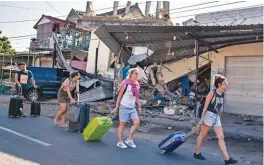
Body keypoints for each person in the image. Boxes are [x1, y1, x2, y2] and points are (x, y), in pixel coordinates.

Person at [194, 76, 238, 165]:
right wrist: (201, 120)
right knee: (202, 135)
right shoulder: (212, 93)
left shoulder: (222, 93)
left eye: (227, 83)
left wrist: (219, 117)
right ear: (219, 84)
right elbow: (205, 107)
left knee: (221, 137)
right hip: (208, 116)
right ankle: (197, 153)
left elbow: (219, 107)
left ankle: (227, 159)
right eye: (225, 83)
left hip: (215, 116)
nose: (227, 85)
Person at [111, 68, 142, 149]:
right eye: (135, 73)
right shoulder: (126, 84)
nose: (136, 75)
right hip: (124, 107)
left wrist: (139, 106)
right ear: (131, 74)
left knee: (136, 123)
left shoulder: (137, 84)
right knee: (122, 125)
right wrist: (116, 107)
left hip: (132, 107)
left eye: (137, 74)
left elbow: (137, 97)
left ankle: (129, 139)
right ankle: (120, 142)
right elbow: (119, 96)